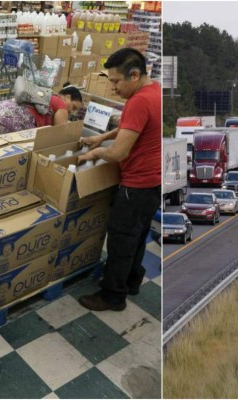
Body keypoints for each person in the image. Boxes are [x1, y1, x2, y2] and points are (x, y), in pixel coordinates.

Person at [76, 48, 161, 312]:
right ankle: (133, 281)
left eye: (115, 82)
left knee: (121, 241)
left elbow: (119, 152)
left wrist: (96, 153)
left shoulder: (138, 101)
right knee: (137, 237)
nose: (112, 88)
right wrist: (102, 137)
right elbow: (130, 125)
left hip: (135, 186)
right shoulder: (153, 91)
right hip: (154, 184)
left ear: (134, 75)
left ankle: (112, 295)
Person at [0, 82, 83, 134]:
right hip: (12, 118)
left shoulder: (49, 94)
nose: (72, 111)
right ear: (68, 97)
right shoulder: (62, 106)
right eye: (74, 107)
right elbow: (59, 133)